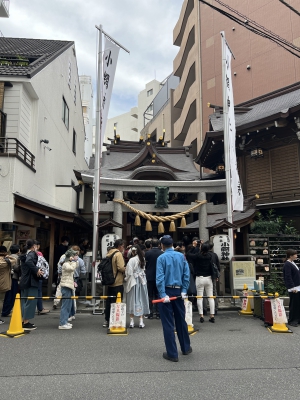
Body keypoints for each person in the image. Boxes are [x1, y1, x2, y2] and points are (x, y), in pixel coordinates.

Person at [156, 235, 191, 362]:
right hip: (179, 291)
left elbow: (160, 278)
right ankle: (186, 347)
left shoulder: (161, 258)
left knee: (168, 323)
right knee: (181, 320)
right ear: (172, 244)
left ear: (162, 245)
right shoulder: (181, 256)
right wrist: (184, 290)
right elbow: (186, 274)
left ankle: (172, 353)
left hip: (166, 290)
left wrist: (162, 293)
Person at [187, 242, 215, 323]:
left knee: (199, 297)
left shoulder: (198, 256)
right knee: (211, 297)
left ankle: (201, 315)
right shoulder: (210, 256)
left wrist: (193, 246)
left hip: (200, 278)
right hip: (209, 278)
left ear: (201, 248)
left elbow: (188, 254)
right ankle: (212, 315)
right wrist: (203, 246)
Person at [19, 239, 44, 331]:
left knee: (24, 301)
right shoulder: (32, 254)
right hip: (31, 281)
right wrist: (37, 270)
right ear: (34, 246)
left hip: (24, 280)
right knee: (31, 301)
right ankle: (26, 322)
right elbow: (29, 262)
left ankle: (23, 320)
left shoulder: (24, 254)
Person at [124, 245, 149, 328]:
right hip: (142, 281)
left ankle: (132, 321)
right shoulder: (142, 259)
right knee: (141, 299)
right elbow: (143, 269)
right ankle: (141, 321)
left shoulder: (131, 260)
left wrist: (126, 278)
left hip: (134, 281)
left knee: (132, 299)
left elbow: (129, 272)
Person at [103, 239, 126, 328]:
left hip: (109, 281)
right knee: (117, 301)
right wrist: (126, 269)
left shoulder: (109, 253)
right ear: (120, 246)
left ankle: (107, 320)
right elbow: (120, 267)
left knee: (109, 301)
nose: (123, 248)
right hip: (117, 281)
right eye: (123, 246)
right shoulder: (118, 254)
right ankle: (115, 321)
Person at [59, 248, 79, 329]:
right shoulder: (65, 264)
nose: (75, 256)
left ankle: (65, 321)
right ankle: (62, 323)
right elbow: (71, 268)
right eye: (74, 255)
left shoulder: (69, 263)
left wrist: (74, 261)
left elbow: (76, 266)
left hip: (69, 286)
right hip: (66, 286)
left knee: (68, 305)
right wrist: (74, 261)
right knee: (65, 305)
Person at [145, 239, 163, 319]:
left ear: (151, 245)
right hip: (159, 276)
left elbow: (145, 264)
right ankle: (159, 312)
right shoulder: (162, 253)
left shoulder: (147, 253)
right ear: (159, 244)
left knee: (150, 295)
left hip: (149, 275)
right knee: (158, 294)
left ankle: (150, 312)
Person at [1, 244, 20, 319]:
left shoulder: (7, 257)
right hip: (13, 278)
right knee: (11, 295)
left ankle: (5, 310)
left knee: (8, 295)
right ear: (18, 250)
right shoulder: (15, 258)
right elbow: (16, 268)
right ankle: (6, 311)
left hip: (8, 278)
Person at [283, 249, 300, 327]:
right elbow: (288, 276)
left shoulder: (292, 263)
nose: (296, 256)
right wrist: (292, 287)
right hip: (293, 288)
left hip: (297, 286)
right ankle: (292, 320)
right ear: (291, 256)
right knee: (294, 304)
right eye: (295, 254)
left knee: (297, 304)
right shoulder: (287, 264)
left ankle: (297, 319)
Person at [34, 240, 50, 315]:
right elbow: (43, 265)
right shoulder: (39, 254)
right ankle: (40, 308)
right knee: (38, 291)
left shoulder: (27, 254)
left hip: (31, 276)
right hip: (39, 274)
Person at [208, 242, 220, 315]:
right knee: (214, 291)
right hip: (213, 275)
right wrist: (217, 276)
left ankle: (205, 309)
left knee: (205, 292)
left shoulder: (204, 255)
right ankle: (215, 308)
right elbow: (217, 266)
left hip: (205, 275)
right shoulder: (214, 255)